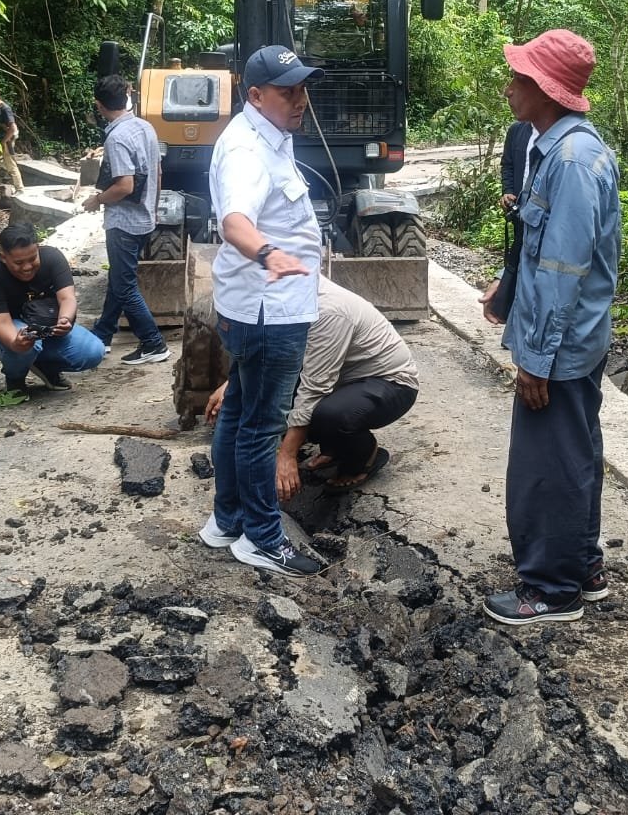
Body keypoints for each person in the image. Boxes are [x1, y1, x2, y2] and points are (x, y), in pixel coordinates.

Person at [479, 29, 621, 625]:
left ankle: (551, 589)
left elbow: (564, 270)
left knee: (547, 467)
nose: (510, 86)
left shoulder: (569, 161)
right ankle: (580, 566)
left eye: (520, 77)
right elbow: (542, 258)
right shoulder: (561, 148)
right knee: (575, 452)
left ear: (545, 90)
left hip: (559, 347)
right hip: (570, 340)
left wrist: (535, 358)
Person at [198, 45, 326, 577]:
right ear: (254, 95)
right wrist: (271, 254)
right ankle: (261, 537)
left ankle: (226, 521)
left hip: (256, 307)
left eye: (301, 87)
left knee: (239, 412)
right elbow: (235, 222)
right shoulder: (248, 151)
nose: (299, 99)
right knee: (260, 428)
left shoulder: (267, 137)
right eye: (286, 90)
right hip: (268, 312)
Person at [204, 275, 419, 496]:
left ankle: (363, 456)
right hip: (340, 380)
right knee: (281, 402)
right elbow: (272, 351)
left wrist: (286, 456)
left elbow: (314, 388)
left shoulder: (329, 311)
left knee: (326, 416)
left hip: (390, 383)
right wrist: (233, 383)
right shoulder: (282, 297)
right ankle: (334, 448)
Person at [80, 75, 170, 365]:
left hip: (123, 224)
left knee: (125, 286)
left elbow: (124, 186)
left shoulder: (117, 137)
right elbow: (157, 174)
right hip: (144, 218)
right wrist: (153, 211)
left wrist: (97, 200)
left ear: (99, 105)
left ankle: (154, 344)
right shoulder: (145, 127)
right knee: (119, 280)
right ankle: (103, 334)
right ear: (127, 97)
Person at [0, 221, 105, 397]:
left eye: (32, 259)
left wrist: (65, 320)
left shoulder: (53, 257)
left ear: (38, 248)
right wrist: (16, 343)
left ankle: (46, 367)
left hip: (49, 325)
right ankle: (15, 378)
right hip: (12, 329)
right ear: (3, 257)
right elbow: (0, 322)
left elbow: (67, 297)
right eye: (19, 262)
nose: (27, 267)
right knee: (28, 342)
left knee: (94, 351)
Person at [500, 118, 534, 212]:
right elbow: (507, 165)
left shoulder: (557, 133)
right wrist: (508, 191)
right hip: (519, 207)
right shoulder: (516, 130)